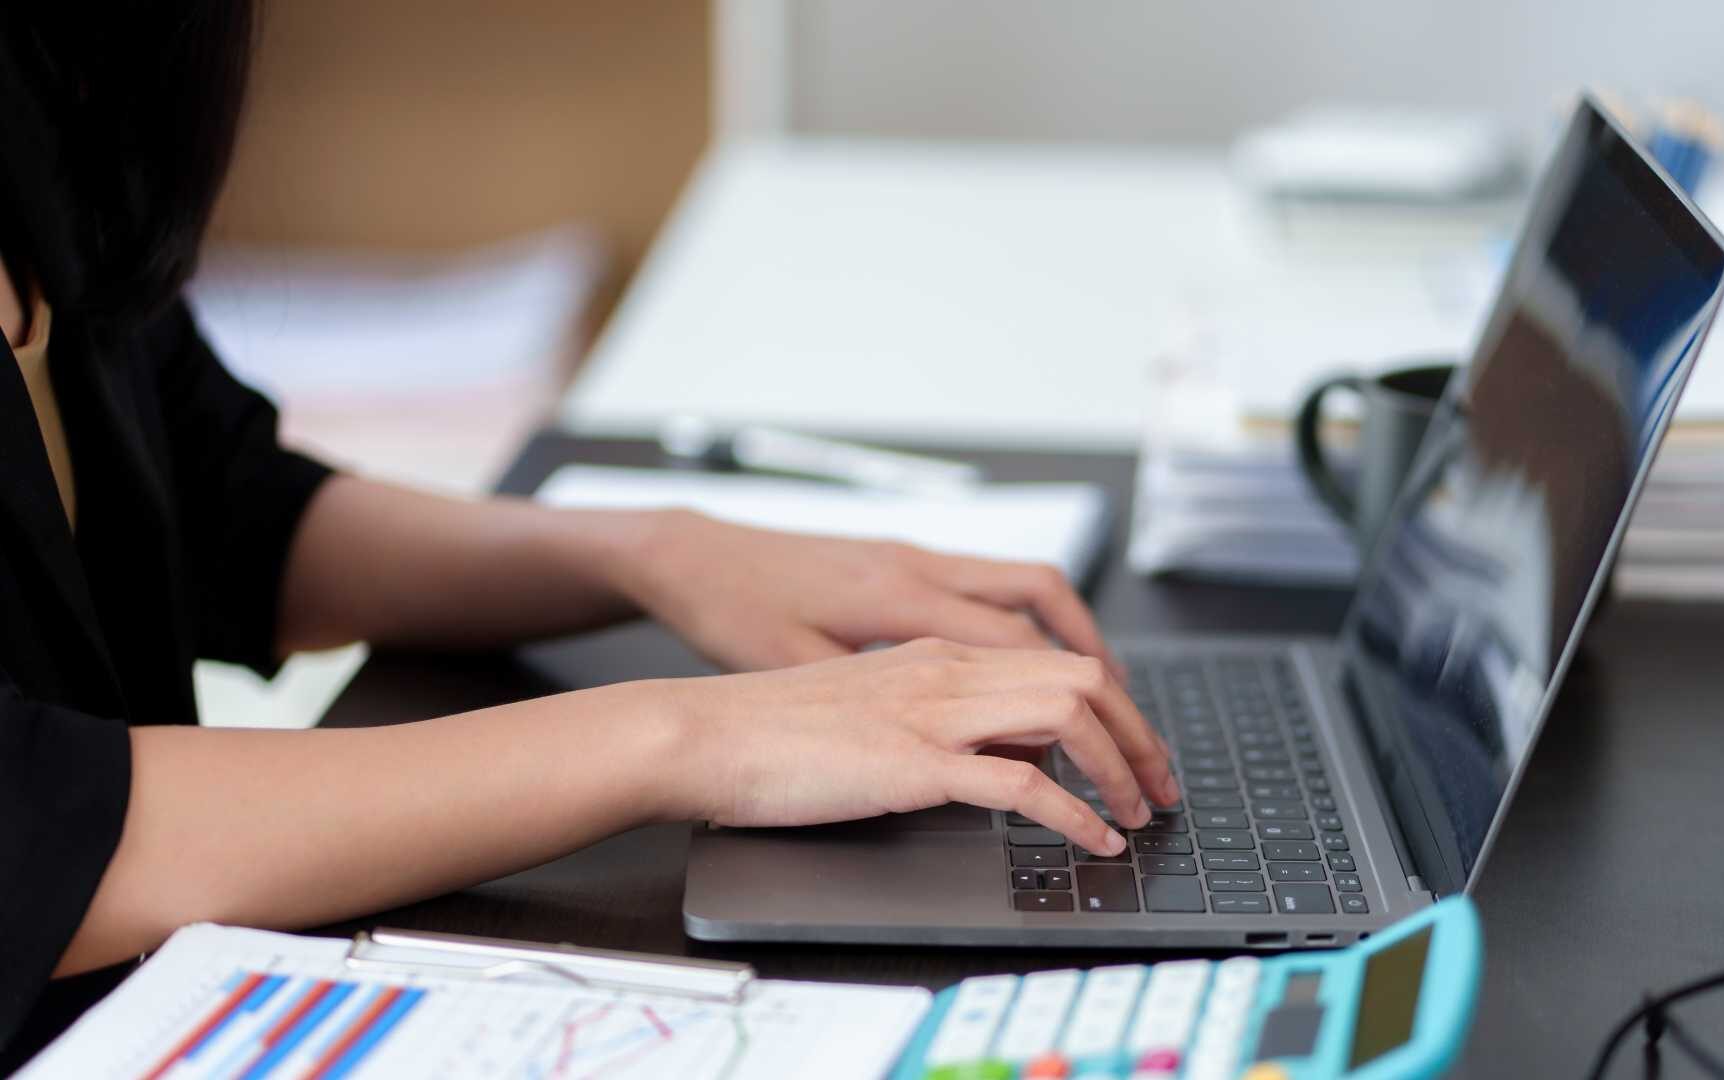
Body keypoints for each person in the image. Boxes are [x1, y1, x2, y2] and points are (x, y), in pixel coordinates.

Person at [0, 3, 1176, 1062]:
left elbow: (227, 515)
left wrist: (652, 552)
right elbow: (32, 829)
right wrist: (693, 737)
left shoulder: (43, 128)